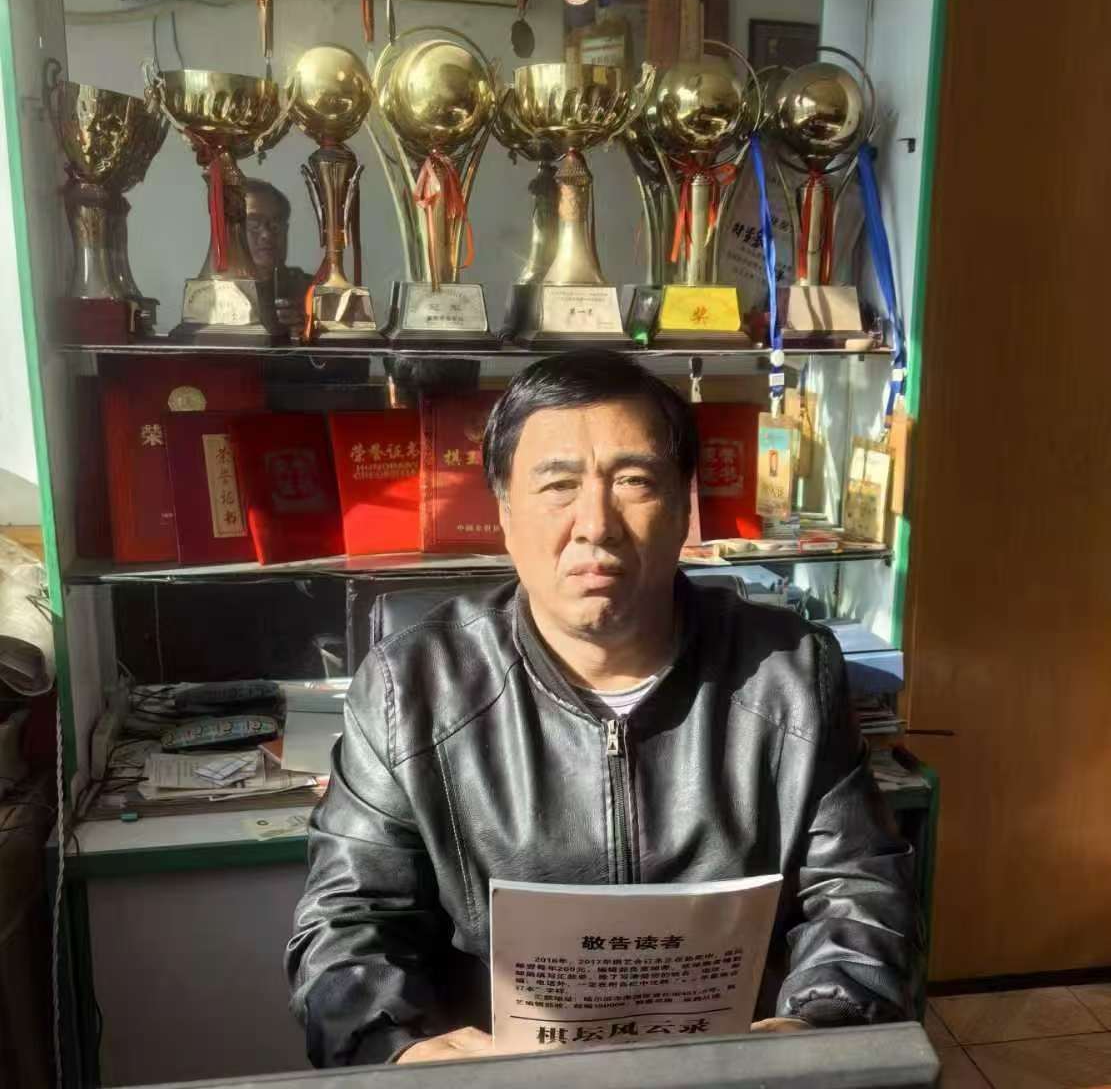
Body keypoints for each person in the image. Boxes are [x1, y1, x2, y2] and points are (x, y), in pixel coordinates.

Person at [287, 350, 915, 1066]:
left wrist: (818, 1027)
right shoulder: (410, 689)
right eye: (558, 486)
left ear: (683, 507)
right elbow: (347, 921)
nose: (596, 524)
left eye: (634, 482)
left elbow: (858, 890)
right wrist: (401, 1050)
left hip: (732, 1066)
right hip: (499, 1079)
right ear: (503, 514)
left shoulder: (791, 673)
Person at [243, 179, 312, 335]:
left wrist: (311, 330)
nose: (267, 235)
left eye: (275, 226)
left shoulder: (312, 292)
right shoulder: (215, 295)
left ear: (285, 231)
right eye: (254, 225)